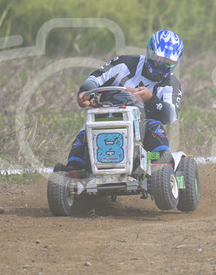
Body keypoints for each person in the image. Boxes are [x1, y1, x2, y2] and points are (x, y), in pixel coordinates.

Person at [54, 30, 184, 173]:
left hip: (144, 122)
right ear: (149, 51)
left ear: (176, 62)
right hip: (107, 114)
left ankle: (159, 164)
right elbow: (96, 78)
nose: (161, 66)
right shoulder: (125, 63)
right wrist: (84, 93)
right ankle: (75, 168)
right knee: (87, 129)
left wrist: (151, 99)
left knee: (154, 126)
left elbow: (170, 115)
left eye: (168, 63)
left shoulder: (171, 83)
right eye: (158, 59)